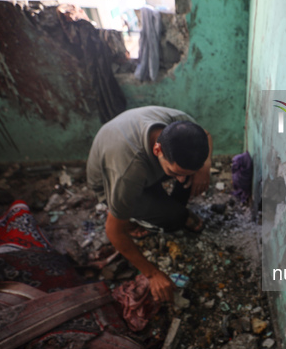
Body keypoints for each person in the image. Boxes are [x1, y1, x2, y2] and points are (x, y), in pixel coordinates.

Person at [87, 106, 212, 303]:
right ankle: (137, 218)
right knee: (174, 219)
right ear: (157, 149)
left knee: (187, 180)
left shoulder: (181, 125)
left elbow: (205, 134)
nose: (179, 180)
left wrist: (204, 167)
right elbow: (113, 231)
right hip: (109, 183)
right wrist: (152, 274)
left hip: (145, 165)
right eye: (175, 172)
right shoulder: (128, 173)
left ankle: (169, 193)